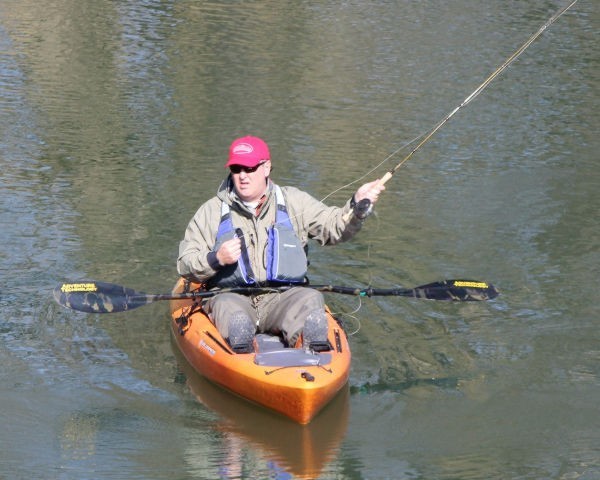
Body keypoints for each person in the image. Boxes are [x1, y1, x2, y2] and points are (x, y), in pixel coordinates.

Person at [177, 136, 384, 353]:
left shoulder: (294, 201)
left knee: (311, 298)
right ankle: (243, 352)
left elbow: (333, 228)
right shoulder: (210, 211)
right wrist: (216, 259)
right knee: (231, 313)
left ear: (266, 167)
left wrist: (356, 207)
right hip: (231, 297)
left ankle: (313, 350)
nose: (242, 176)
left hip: (283, 298)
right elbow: (185, 263)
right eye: (236, 169)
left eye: (249, 168)